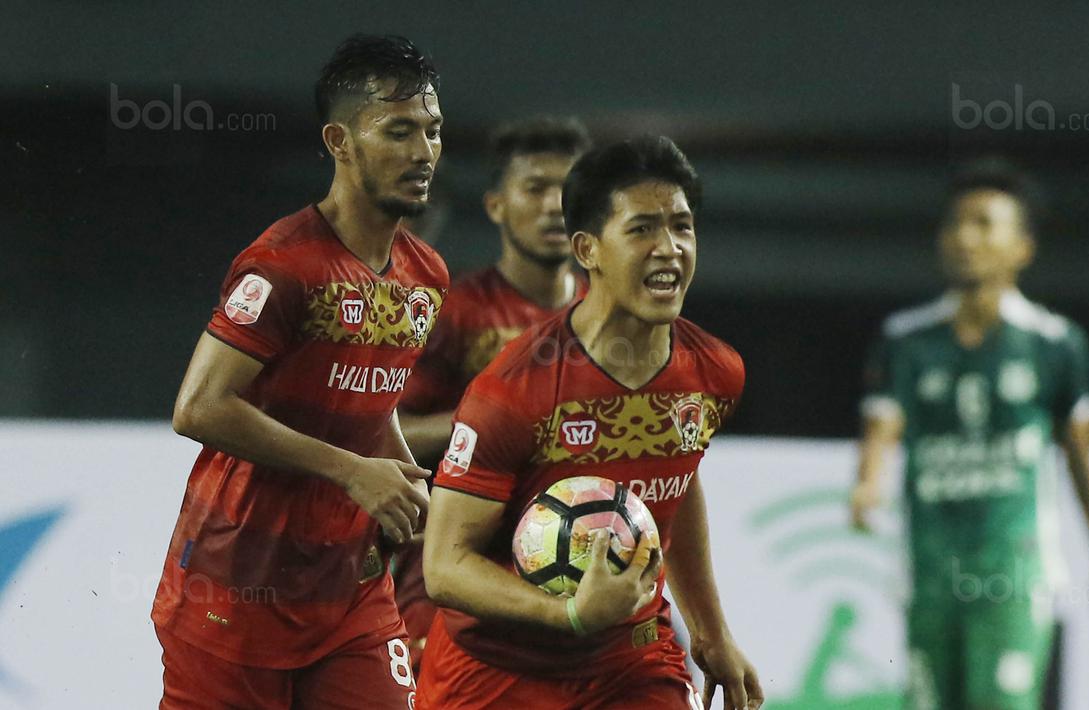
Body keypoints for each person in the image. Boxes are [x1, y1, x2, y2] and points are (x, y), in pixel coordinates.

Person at [151, 34, 447, 709]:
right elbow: (197, 408)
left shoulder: (426, 276)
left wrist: (405, 480)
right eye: (398, 131)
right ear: (340, 142)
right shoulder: (283, 266)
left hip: (349, 593)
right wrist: (350, 470)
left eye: (431, 130)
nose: (423, 151)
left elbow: (370, 398)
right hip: (232, 589)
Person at [417, 136, 763, 709]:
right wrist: (571, 613)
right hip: (498, 671)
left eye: (682, 226)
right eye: (642, 229)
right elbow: (446, 567)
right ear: (587, 249)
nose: (670, 248)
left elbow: (675, 484)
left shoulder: (715, 372)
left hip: (630, 659)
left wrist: (710, 632)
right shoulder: (513, 391)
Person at [850, 160, 1089, 710]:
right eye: (955, 224)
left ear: (1022, 247)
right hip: (930, 574)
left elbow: (1081, 461)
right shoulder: (904, 340)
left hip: (1014, 575)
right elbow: (882, 429)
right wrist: (868, 483)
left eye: (984, 224)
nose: (964, 237)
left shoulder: (1055, 344)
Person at [393, 116, 591, 668]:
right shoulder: (452, 313)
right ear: (497, 206)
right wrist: (483, 422)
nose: (555, 205)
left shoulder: (614, 316)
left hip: (585, 562)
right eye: (535, 188)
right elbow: (389, 432)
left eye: (568, 190)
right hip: (460, 566)